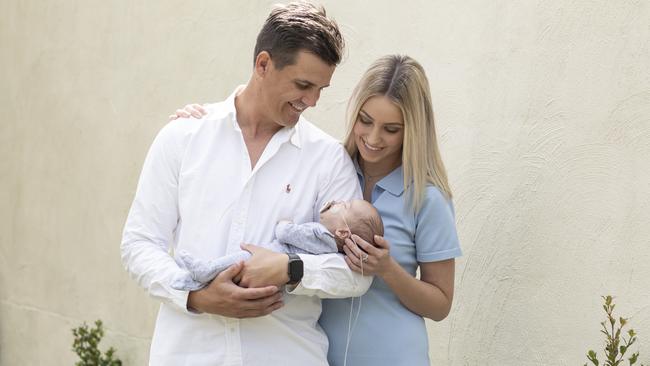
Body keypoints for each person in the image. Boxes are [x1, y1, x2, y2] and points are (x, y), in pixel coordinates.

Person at [121, 3, 373, 365]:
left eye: (321, 88)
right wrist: (194, 295)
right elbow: (139, 243)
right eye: (303, 85)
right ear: (263, 65)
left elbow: (357, 274)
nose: (313, 101)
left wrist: (291, 268)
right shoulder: (182, 138)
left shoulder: (328, 159)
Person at [172, 54, 462, 366]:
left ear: (413, 130)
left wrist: (387, 269)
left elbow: (440, 304)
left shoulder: (426, 198)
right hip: (315, 354)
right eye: (365, 121)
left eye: (391, 129)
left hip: (393, 356)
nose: (374, 138)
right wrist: (198, 124)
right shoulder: (328, 168)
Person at [171, 199, 384, 291]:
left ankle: (205, 271)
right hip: (273, 263)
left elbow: (285, 233)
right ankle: (197, 281)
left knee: (236, 262)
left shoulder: (321, 235)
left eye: (343, 205)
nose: (337, 201)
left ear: (342, 232)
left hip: (272, 255)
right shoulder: (328, 245)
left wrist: (285, 223)